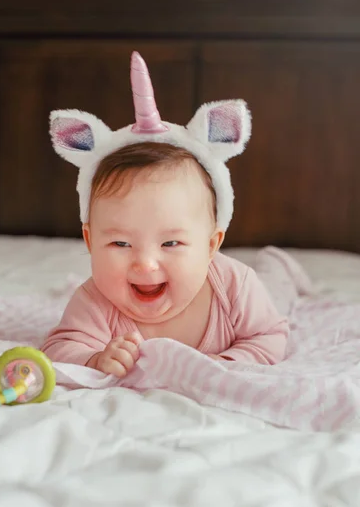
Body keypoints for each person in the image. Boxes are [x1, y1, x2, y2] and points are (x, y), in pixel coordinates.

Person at [41, 51, 289, 378]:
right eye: (120, 243)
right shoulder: (95, 301)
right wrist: (94, 359)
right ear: (89, 239)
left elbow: (269, 336)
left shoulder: (235, 287)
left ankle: (281, 263)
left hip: (265, 290)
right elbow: (58, 348)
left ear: (211, 244)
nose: (145, 263)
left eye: (170, 243)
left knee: (278, 286)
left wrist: (228, 363)